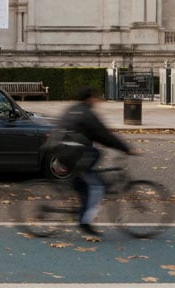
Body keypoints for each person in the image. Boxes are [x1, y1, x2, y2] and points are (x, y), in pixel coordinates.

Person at [57, 87, 137, 235]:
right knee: (97, 187)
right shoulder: (88, 115)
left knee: (84, 182)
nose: (97, 101)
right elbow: (104, 135)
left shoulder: (72, 109)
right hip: (76, 155)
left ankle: (81, 209)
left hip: (63, 153)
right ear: (89, 98)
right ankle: (84, 221)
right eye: (96, 98)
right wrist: (126, 148)